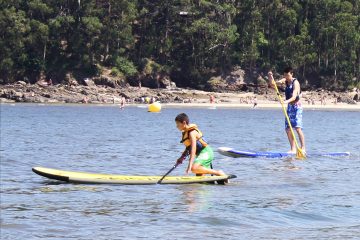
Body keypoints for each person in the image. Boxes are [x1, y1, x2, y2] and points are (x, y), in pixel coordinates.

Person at [268, 67, 306, 153]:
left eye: (288, 75)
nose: (286, 77)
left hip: (297, 107)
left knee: (297, 128)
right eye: (285, 75)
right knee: (288, 128)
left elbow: (294, 97)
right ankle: (293, 149)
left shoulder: (295, 83)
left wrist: (286, 101)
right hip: (289, 107)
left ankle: (303, 148)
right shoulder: (285, 80)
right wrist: (270, 77)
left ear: (292, 74)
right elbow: (272, 85)